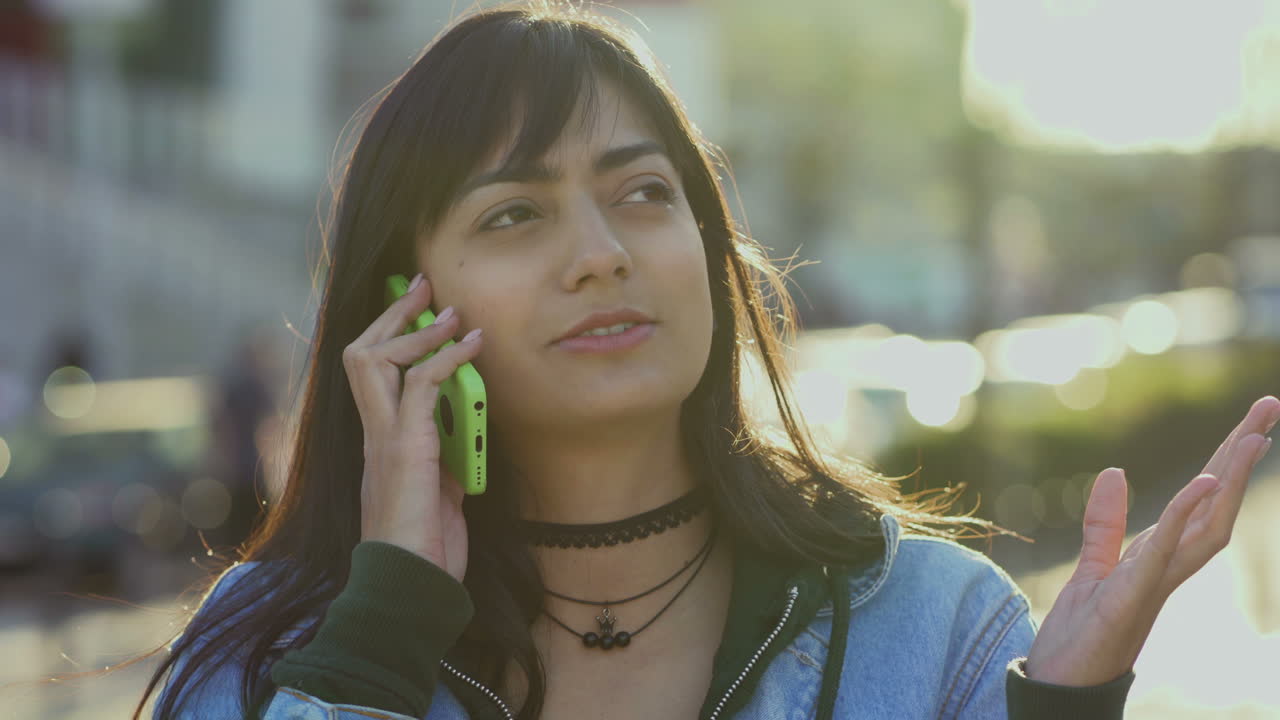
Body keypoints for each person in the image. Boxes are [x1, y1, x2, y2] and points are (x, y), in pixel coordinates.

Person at [137, 3, 1278, 719]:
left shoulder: (935, 622)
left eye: (642, 194)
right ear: (404, 302)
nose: (598, 255)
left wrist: (1067, 710)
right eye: (513, 216)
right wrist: (383, 630)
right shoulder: (270, 649)